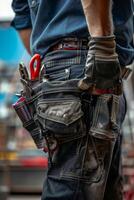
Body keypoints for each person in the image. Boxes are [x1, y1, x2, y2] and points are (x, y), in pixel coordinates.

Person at [11, 0, 134, 199]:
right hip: (93, 63)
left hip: (72, 70)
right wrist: (102, 45)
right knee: (76, 191)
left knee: (92, 189)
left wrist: (53, 61)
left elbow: (23, 15)